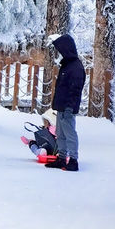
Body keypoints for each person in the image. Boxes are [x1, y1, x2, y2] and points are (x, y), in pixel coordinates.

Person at [45, 34, 86, 171]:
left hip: (67, 107)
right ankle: (62, 158)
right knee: (61, 134)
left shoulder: (76, 67)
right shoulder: (68, 65)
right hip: (62, 106)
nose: (59, 54)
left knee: (70, 134)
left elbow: (75, 89)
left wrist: (69, 106)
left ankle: (73, 160)